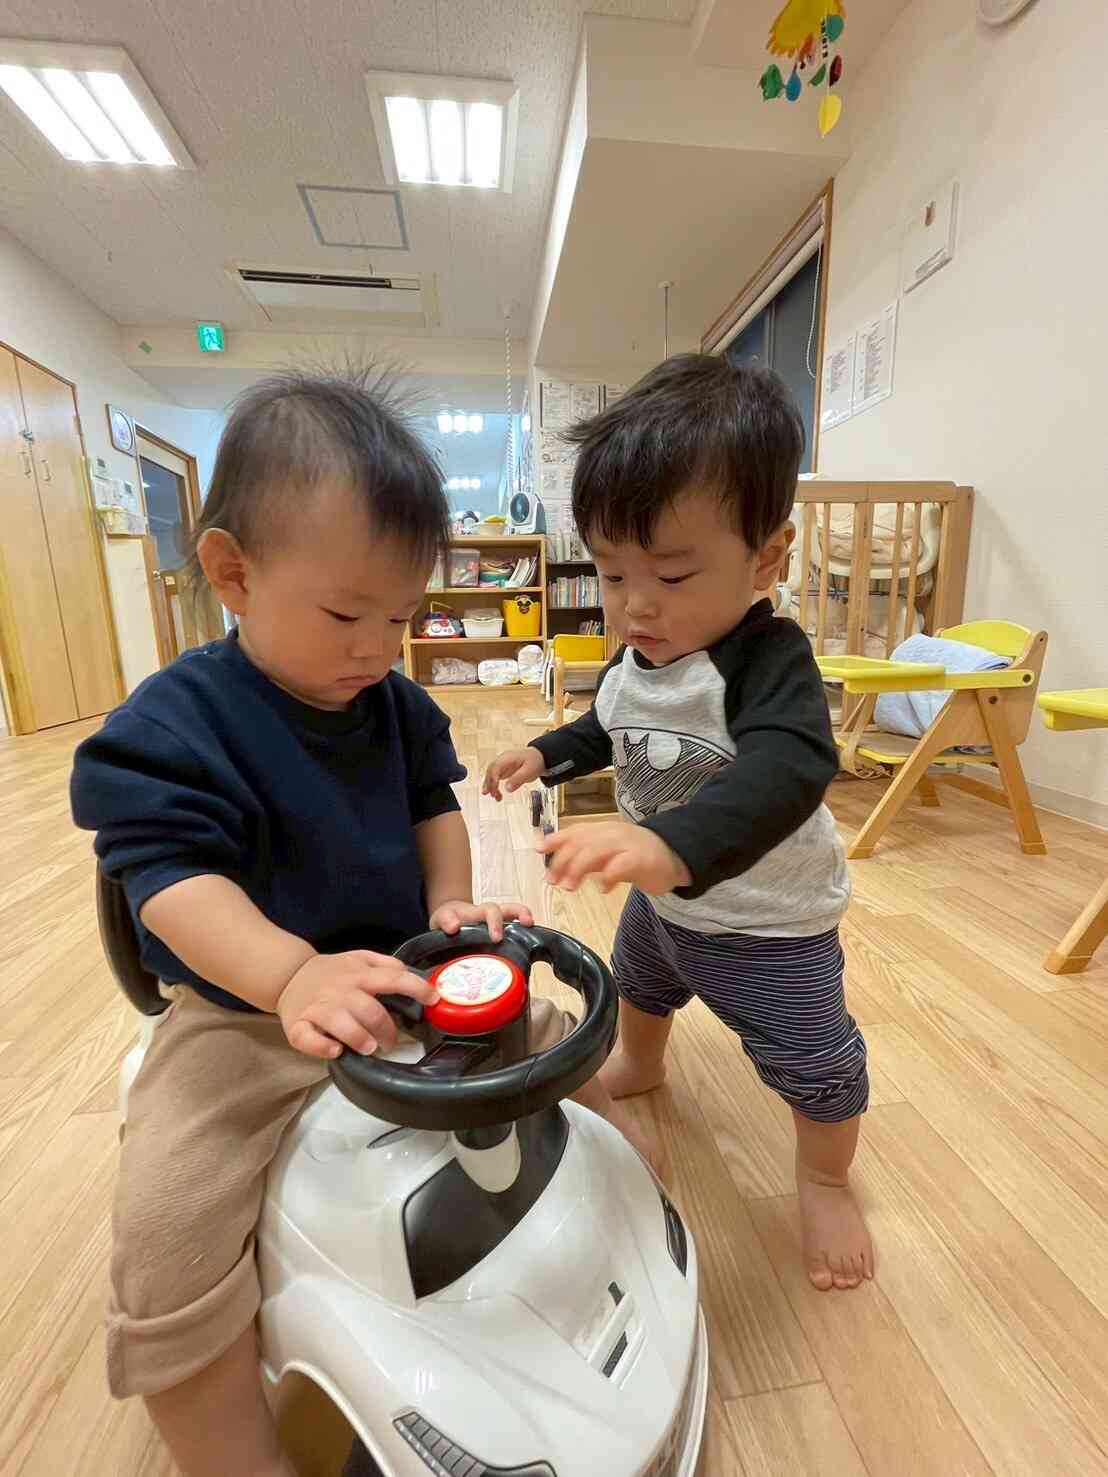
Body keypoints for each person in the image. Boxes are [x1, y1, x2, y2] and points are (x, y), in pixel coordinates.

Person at [71, 368, 631, 1477]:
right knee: (170, 1220)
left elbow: (434, 808)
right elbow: (169, 880)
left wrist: (449, 905)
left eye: (401, 617)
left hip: (404, 975)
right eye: (345, 614)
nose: (377, 647)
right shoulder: (174, 724)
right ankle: (232, 1451)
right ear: (232, 571)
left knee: (561, 1053)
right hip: (244, 1017)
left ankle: (611, 1218)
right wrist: (288, 976)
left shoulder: (397, 705)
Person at [484, 355, 872, 1293]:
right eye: (613, 572)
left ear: (765, 560)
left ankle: (825, 1179)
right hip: (665, 908)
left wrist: (669, 844)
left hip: (768, 927)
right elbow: (608, 724)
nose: (636, 603)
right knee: (640, 990)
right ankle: (642, 1065)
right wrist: (546, 752)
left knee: (818, 1067)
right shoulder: (638, 656)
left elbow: (792, 766)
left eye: (670, 572)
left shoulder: (765, 660)